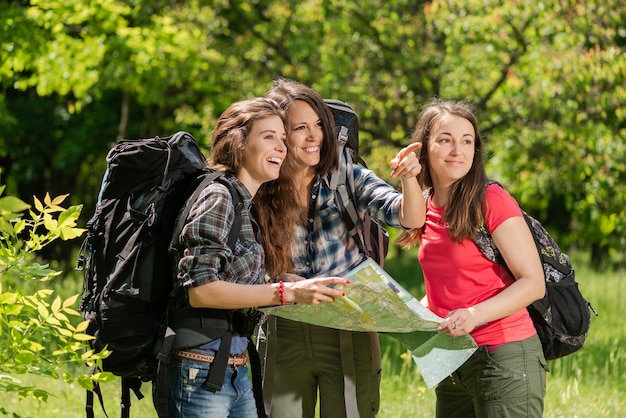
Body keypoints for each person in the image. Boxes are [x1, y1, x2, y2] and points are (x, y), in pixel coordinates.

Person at [159, 97, 349, 418]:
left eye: (283, 139)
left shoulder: (244, 203)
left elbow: (232, 280)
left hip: (235, 368)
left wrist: (285, 283)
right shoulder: (217, 196)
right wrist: (284, 293)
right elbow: (201, 289)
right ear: (240, 143)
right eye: (269, 137)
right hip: (199, 371)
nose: (281, 147)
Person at [258, 78, 426, 418]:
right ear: (277, 133)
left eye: (319, 125)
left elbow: (406, 217)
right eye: (300, 127)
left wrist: (409, 178)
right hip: (282, 324)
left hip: (349, 325)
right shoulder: (259, 184)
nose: (313, 136)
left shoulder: (346, 175)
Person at [397, 98, 548, 418]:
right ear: (423, 148)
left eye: (467, 141)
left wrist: (474, 315)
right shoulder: (427, 204)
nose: (458, 150)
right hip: (452, 357)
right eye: (445, 140)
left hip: (502, 354)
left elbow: (533, 284)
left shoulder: (491, 199)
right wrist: (410, 314)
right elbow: (450, 282)